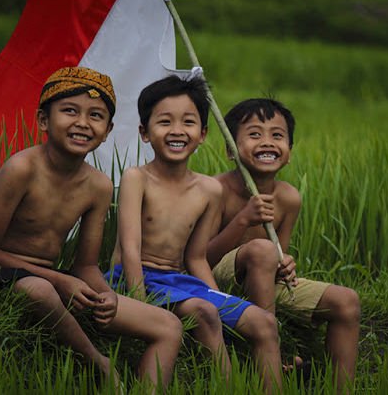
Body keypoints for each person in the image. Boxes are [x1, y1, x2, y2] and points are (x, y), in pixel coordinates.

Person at [0, 66, 183, 392]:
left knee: (168, 325)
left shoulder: (98, 185)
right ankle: (99, 362)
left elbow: (85, 265)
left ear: (108, 129)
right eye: (69, 111)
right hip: (0, 276)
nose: (83, 123)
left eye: (96, 115)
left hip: (57, 279)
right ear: (44, 120)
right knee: (38, 289)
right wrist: (59, 279)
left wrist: (106, 295)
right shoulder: (21, 169)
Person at [104, 75, 284, 392]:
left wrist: (218, 297)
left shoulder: (209, 190)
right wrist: (141, 304)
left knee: (264, 323)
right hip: (134, 278)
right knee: (202, 311)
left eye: (188, 122)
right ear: (145, 133)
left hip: (178, 282)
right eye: (164, 122)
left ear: (202, 134)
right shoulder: (137, 178)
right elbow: (129, 249)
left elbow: (196, 257)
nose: (177, 130)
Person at [207, 98, 361, 394]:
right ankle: (271, 360)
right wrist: (242, 220)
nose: (267, 142)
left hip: (260, 278)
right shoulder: (216, 190)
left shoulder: (288, 198)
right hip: (215, 279)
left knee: (347, 301)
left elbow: (277, 258)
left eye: (277, 135)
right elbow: (199, 257)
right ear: (230, 149)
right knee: (262, 250)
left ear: (289, 152)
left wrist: (284, 265)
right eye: (254, 134)